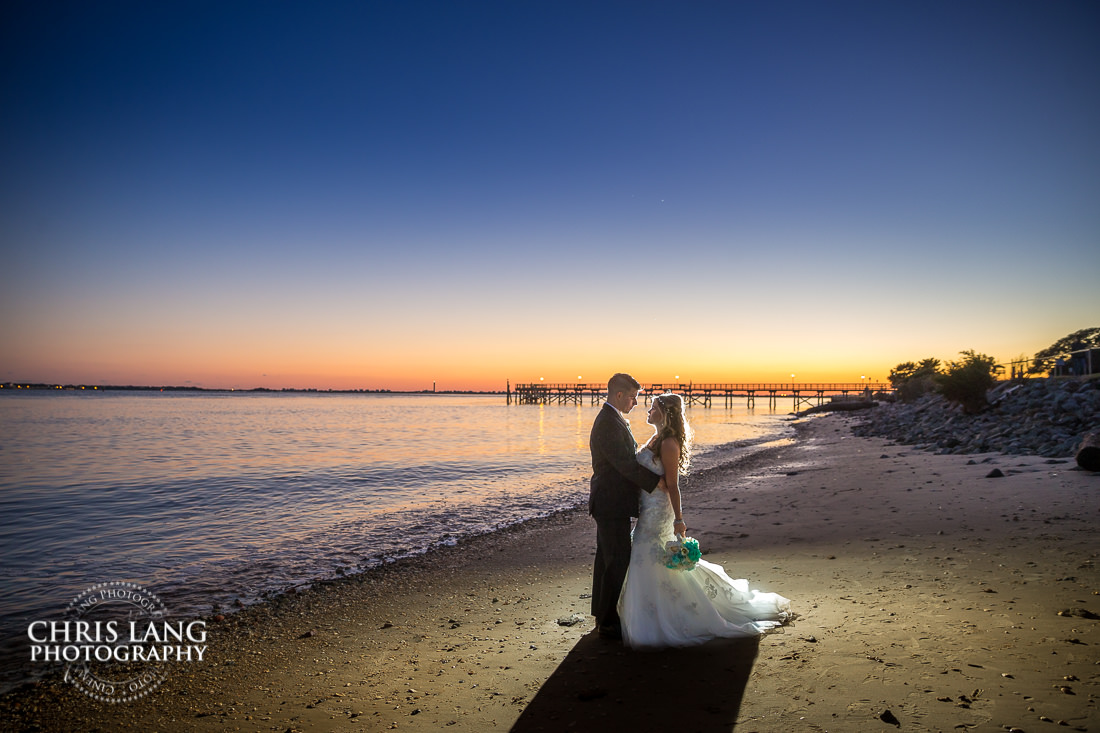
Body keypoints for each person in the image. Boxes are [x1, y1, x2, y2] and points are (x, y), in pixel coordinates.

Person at [618, 392, 791, 649]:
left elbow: (674, 486)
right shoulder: (656, 438)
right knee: (651, 559)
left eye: (652, 407)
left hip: (658, 512)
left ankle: (663, 618)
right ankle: (651, 611)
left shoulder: (668, 444)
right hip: (647, 509)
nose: (648, 411)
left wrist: (679, 520)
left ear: (665, 414)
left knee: (651, 557)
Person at [589, 373, 663, 640]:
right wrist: (657, 483)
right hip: (610, 502)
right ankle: (608, 621)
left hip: (611, 501)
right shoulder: (607, 423)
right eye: (633, 397)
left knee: (607, 558)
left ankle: (602, 614)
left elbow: (628, 459)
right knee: (616, 560)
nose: (635, 403)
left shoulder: (614, 419)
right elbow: (625, 464)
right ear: (618, 395)